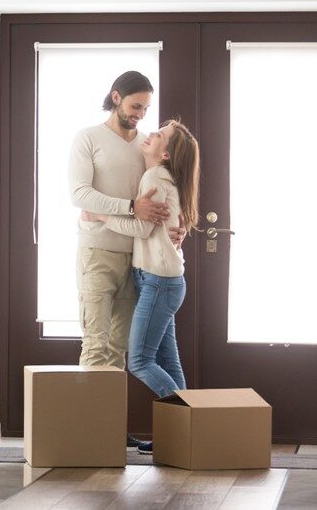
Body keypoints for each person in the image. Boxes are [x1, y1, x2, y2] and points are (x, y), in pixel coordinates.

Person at [68, 70, 183, 448]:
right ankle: (97, 433)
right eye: (136, 106)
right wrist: (129, 207)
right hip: (98, 254)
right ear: (116, 97)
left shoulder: (147, 147)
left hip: (137, 260)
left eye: (146, 109)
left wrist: (178, 229)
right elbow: (80, 195)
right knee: (97, 342)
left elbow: (167, 196)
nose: (140, 115)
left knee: (119, 348)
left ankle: (109, 430)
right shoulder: (88, 139)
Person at [83, 119, 200, 455]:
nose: (152, 133)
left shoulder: (154, 178)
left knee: (140, 361)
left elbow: (142, 228)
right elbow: (155, 227)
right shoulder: (164, 178)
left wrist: (100, 216)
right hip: (164, 280)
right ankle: (182, 436)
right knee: (168, 358)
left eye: (160, 135)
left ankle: (188, 423)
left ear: (165, 154)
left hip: (159, 282)